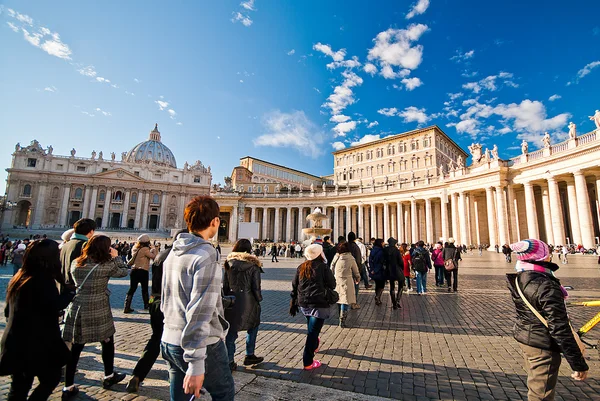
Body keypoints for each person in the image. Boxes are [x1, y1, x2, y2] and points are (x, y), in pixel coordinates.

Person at [160, 196, 234, 401]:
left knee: (180, 396)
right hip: (202, 344)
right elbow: (201, 311)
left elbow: (165, 298)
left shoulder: (173, 252)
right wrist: (195, 362)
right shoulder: (206, 254)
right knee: (224, 393)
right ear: (215, 222)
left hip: (169, 338)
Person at [507, 239, 588, 400]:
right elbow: (559, 326)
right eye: (547, 252)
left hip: (528, 339)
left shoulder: (520, 277)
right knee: (541, 395)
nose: (550, 255)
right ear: (540, 256)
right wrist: (577, 363)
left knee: (536, 388)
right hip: (543, 344)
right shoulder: (545, 284)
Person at [0, 240, 74, 400]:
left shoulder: (20, 276)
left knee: (18, 388)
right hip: (36, 341)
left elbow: (8, 310)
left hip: (16, 339)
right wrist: (69, 296)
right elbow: (53, 305)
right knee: (52, 378)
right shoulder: (42, 279)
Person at [61, 235, 129, 399]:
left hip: (78, 306)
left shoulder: (77, 263)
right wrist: (117, 256)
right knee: (107, 342)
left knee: (76, 348)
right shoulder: (105, 265)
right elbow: (123, 271)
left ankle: (68, 385)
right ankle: (108, 376)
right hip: (99, 307)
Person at [127, 231, 181, 393]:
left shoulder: (161, 255)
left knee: (155, 339)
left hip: (154, 301)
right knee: (179, 342)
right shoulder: (180, 256)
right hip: (171, 303)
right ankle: (178, 379)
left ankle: (137, 375)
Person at [290, 244, 336, 370]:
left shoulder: (301, 267)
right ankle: (308, 362)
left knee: (312, 327)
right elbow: (332, 284)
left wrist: (293, 300)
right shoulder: (323, 267)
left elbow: (294, 285)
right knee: (312, 332)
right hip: (319, 304)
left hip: (304, 303)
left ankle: (315, 344)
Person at [224, 239, 264, 371]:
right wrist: (259, 299)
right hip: (249, 300)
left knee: (231, 331)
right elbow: (256, 287)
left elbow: (225, 285)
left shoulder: (228, 263)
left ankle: (229, 360)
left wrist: (226, 298)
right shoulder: (253, 266)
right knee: (253, 326)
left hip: (232, 300)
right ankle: (249, 354)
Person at [60, 218, 96, 292]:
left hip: (65, 286)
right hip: (78, 288)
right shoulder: (86, 246)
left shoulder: (66, 245)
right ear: (91, 231)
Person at [330, 240, 360, 327]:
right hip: (347, 281)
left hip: (337, 280)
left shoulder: (336, 257)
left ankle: (339, 316)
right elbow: (356, 270)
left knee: (338, 299)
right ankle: (342, 320)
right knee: (345, 301)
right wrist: (358, 278)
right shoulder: (351, 258)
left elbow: (331, 266)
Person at [124, 234, 157, 313]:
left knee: (132, 289)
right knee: (145, 289)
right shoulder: (145, 249)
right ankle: (147, 305)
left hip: (134, 270)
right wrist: (154, 249)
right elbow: (154, 257)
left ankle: (126, 306)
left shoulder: (134, 248)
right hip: (142, 271)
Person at [384, 238, 404, 309]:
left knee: (392, 287)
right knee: (401, 285)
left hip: (389, 270)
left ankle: (394, 303)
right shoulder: (396, 251)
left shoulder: (385, 250)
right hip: (397, 269)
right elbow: (401, 261)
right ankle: (397, 300)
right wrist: (402, 268)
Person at [368, 239, 386, 305]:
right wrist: (375, 270)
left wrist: (372, 269)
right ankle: (378, 297)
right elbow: (381, 262)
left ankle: (377, 297)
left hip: (373, 270)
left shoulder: (372, 250)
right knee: (381, 285)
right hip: (380, 271)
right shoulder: (381, 251)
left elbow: (370, 260)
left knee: (377, 284)